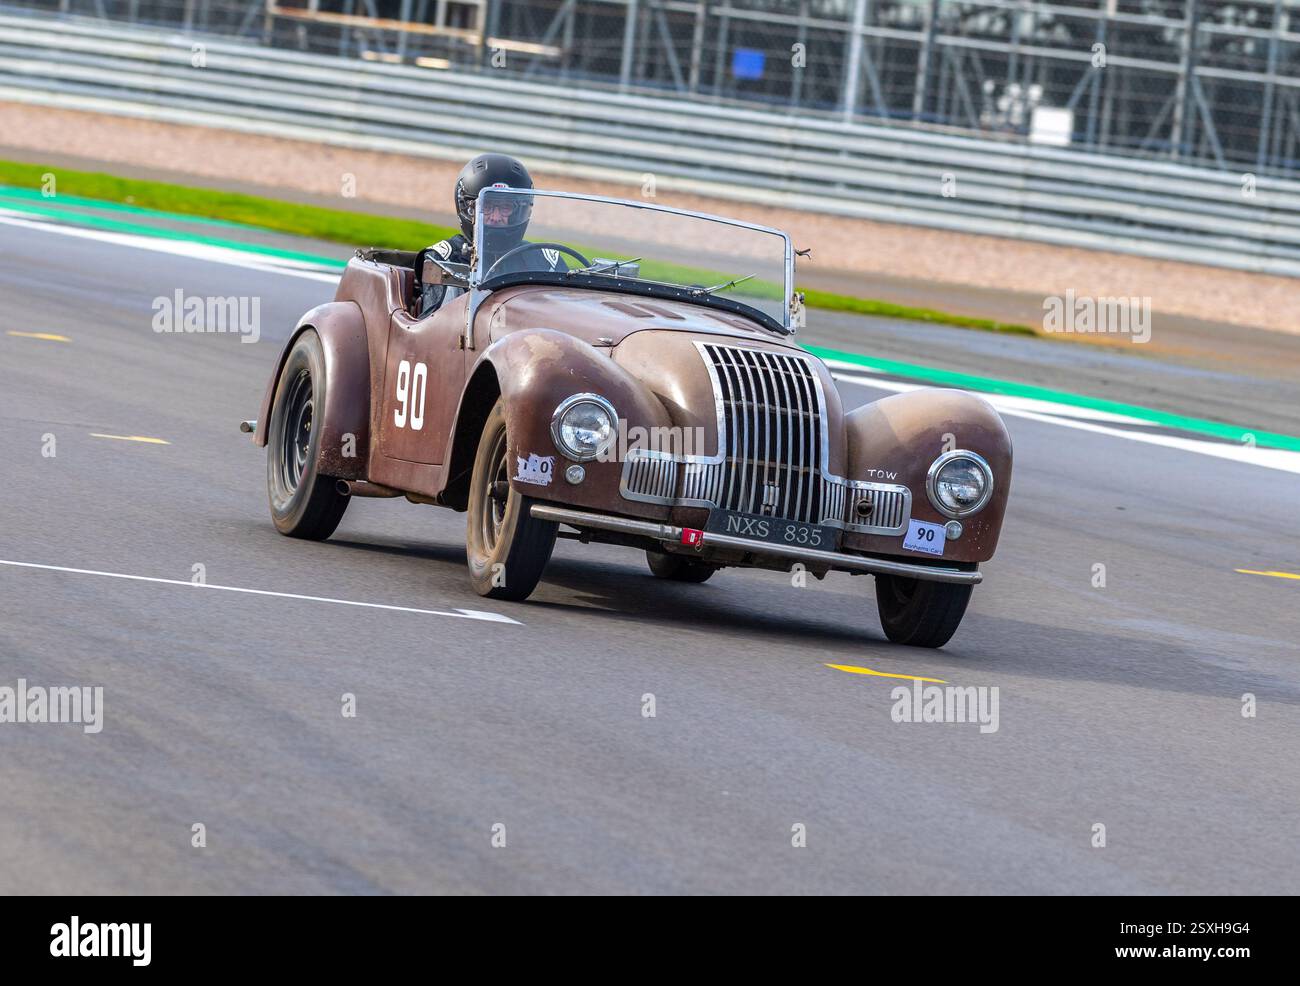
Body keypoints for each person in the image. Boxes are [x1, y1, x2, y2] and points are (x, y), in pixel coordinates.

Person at [414, 152, 562, 316]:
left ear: (520, 209)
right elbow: (435, 330)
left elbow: (567, 317)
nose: (496, 217)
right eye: (487, 207)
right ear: (469, 209)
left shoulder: (545, 260)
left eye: (506, 207)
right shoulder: (443, 258)